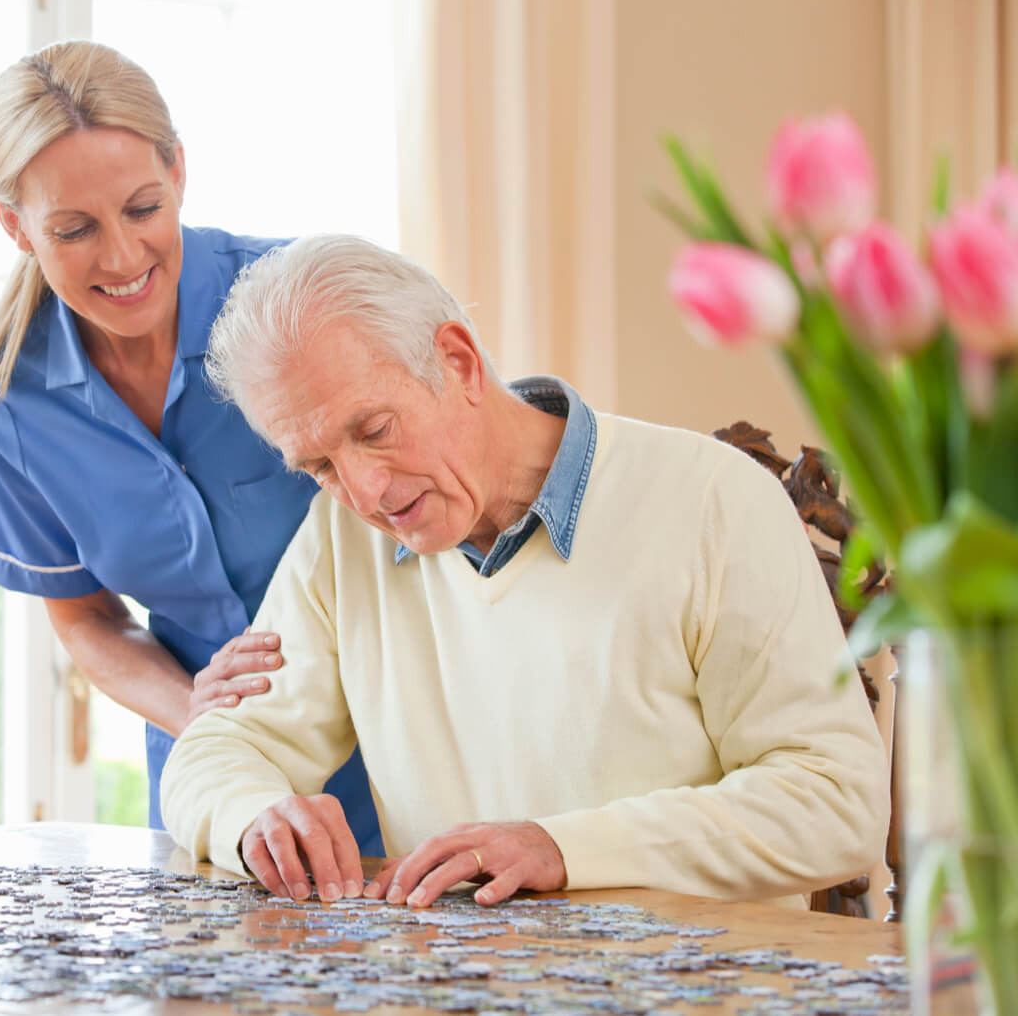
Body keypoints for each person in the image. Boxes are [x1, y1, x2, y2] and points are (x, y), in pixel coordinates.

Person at [162, 234, 890, 909]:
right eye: (319, 466)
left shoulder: (715, 499)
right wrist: (252, 815)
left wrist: (563, 849)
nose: (367, 494)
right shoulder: (339, 542)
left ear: (459, 361)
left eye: (375, 431)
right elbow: (215, 755)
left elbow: (836, 803)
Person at [0, 41, 380, 849]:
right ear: (15, 226)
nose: (121, 258)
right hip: (213, 776)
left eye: (144, 209)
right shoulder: (6, 400)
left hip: (398, 746)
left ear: (179, 172)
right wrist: (204, 719)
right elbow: (85, 617)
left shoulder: (302, 304)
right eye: (74, 229)